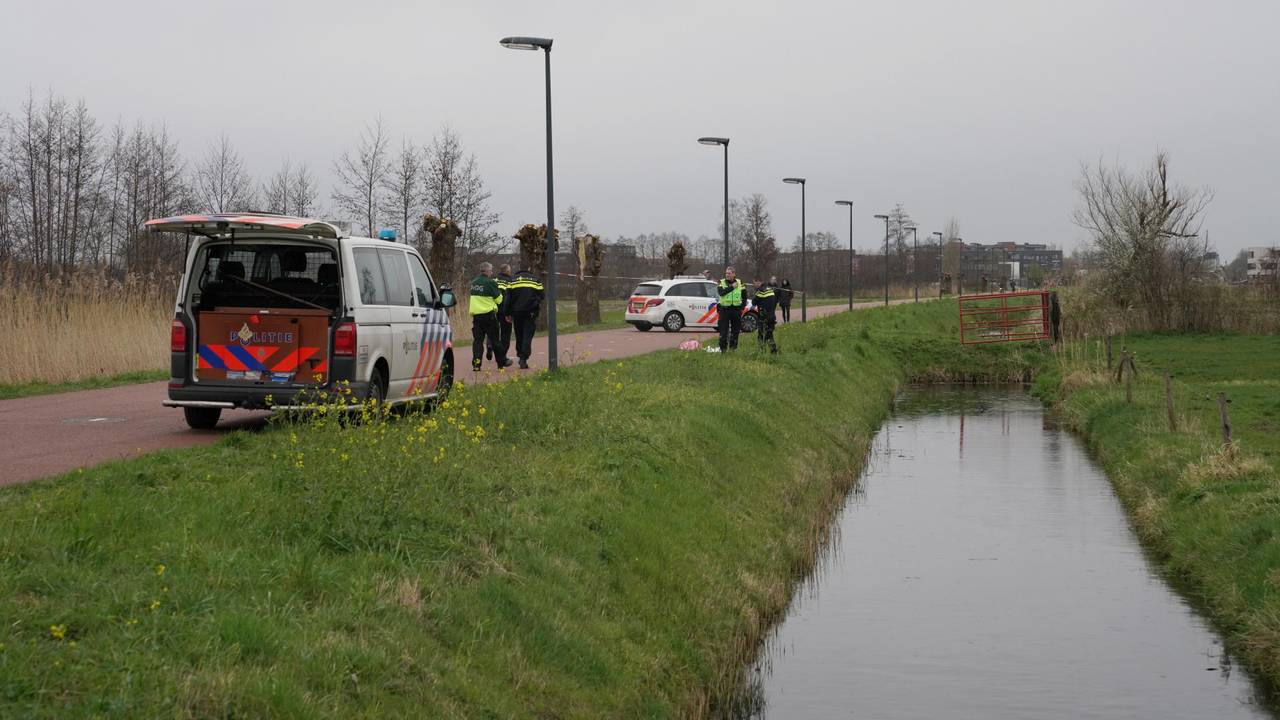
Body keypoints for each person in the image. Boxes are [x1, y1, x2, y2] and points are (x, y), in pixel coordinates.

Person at [469, 262, 512, 371]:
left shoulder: (473, 283)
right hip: (489, 316)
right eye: (491, 270)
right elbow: (499, 299)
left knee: (478, 341)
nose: (492, 272)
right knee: (495, 341)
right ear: (487, 271)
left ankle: (476, 365)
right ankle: (501, 362)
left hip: (476, 316)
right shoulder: (490, 283)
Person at [505, 265, 545, 369]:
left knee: (519, 334)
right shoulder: (535, 280)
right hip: (530, 311)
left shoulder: (512, 280)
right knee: (528, 335)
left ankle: (520, 353)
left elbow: (507, 298)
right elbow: (542, 295)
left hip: (517, 312)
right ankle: (523, 358)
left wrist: (507, 313)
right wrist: (535, 303)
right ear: (529, 269)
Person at [487, 264, 514, 361]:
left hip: (493, 309)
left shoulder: (494, 280)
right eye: (509, 270)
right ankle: (502, 355)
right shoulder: (511, 281)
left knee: (492, 330)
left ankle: (490, 345)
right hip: (505, 310)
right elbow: (512, 297)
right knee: (505, 333)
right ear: (507, 271)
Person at [716, 266, 745, 352]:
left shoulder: (740, 282)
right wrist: (732, 287)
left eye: (729, 273)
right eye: (726, 273)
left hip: (736, 310)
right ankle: (723, 350)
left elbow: (744, 296)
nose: (727, 275)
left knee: (735, 331)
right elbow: (721, 293)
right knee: (723, 331)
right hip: (725, 310)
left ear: (734, 274)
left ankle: (733, 349)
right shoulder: (721, 282)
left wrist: (741, 308)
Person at [753, 277, 779, 354]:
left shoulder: (761, 291)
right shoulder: (770, 290)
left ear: (759, 282)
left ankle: (761, 352)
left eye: (754, 283)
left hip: (764, 317)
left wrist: (757, 293)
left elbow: (754, 302)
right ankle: (774, 352)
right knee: (769, 335)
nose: (754, 285)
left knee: (761, 336)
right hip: (771, 316)